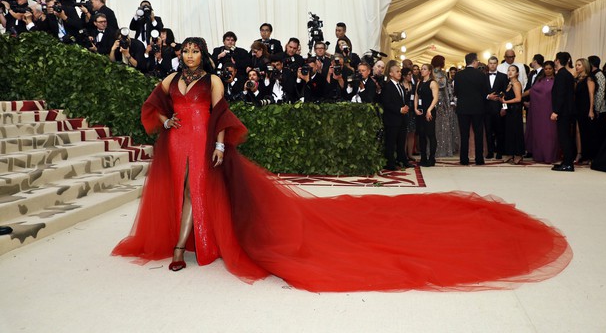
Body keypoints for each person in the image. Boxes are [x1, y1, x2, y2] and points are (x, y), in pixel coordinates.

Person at [113, 36, 572, 292]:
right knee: (182, 190)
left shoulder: (212, 79)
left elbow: (221, 116)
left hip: (204, 141)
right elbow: (151, 108)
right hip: (176, 142)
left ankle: (185, 248)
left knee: (200, 189)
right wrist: (167, 117)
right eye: (185, 50)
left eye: (195, 50)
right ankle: (187, 241)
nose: (189, 54)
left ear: (203, 53)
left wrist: (217, 144)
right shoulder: (170, 77)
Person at [453, 53, 489, 166]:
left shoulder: (458, 75)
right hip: (478, 108)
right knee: (478, 134)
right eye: (477, 61)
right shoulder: (481, 75)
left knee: (464, 134)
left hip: (463, 108)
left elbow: (456, 92)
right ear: (474, 61)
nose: (478, 62)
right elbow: (485, 92)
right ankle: (479, 159)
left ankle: (464, 159)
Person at [525, 61, 559, 164]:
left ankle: (549, 156)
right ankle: (539, 155)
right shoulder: (539, 80)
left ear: (553, 69)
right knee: (538, 133)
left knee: (549, 134)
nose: (548, 70)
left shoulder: (557, 81)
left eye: (550, 68)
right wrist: (520, 96)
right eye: (546, 69)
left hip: (550, 111)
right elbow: (532, 91)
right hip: (537, 112)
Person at [381, 62, 413, 171]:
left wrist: (406, 107)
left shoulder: (400, 85)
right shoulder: (387, 86)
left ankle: (402, 160)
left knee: (401, 141)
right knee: (391, 142)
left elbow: (404, 99)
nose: (400, 73)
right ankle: (390, 163)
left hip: (402, 119)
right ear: (391, 73)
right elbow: (386, 103)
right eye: (397, 71)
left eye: (400, 71)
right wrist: (400, 109)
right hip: (392, 119)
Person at [550, 52, 577, 172]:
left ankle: (568, 164)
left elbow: (561, 95)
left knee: (564, 137)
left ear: (557, 61)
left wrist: (556, 111)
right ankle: (566, 161)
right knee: (566, 137)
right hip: (568, 110)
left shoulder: (561, 75)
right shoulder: (567, 74)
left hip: (563, 111)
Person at [431, 55, 459, 158]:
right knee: (439, 125)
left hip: (444, 100)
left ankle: (444, 148)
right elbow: (442, 85)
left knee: (443, 125)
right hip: (439, 101)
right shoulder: (435, 73)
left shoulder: (440, 73)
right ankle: (439, 149)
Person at [484, 56, 508, 159]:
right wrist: (488, 96)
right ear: (488, 64)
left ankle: (499, 152)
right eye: (490, 63)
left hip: (499, 108)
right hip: (486, 108)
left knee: (500, 131)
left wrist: (504, 107)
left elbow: (506, 94)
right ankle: (490, 151)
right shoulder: (483, 76)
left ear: (497, 64)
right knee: (488, 131)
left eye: (494, 63)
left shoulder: (503, 76)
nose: (492, 65)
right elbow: (480, 92)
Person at [414, 64, 439, 166]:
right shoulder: (419, 82)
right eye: (422, 69)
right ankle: (423, 158)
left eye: (424, 69)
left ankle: (432, 158)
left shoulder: (432, 83)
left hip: (429, 111)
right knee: (421, 135)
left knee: (430, 134)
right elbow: (416, 96)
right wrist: (415, 108)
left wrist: (429, 110)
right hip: (420, 111)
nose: (422, 71)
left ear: (429, 71)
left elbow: (435, 98)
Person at [500, 65, 525, 164]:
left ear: (517, 73)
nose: (510, 72)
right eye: (509, 70)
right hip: (509, 111)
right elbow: (505, 99)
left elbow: (518, 99)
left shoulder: (516, 84)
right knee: (509, 132)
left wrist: (505, 103)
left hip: (515, 111)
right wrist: (504, 108)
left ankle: (518, 154)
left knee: (516, 132)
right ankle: (510, 153)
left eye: (513, 70)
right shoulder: (509, 84)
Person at [573, 58, 596, 164]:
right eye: (576, 65)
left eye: (579, 65)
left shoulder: (589, 78)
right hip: (577, 107)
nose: (576, 67)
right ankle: (579, 153)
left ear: (585, 66)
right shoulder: (576, 78)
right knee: (577, 131)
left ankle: (589, 155)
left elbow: (591, 95)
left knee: (587, 132)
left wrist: (591, 110)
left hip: (586, 107)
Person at [400, 67, 417, 162]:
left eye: (411, 75)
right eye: (409, 75)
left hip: (412, 112)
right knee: (404, 134)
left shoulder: (413, 86)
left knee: (412, 133)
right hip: (404, 112)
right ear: (404, 76)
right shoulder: (400, 85)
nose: (411, 76)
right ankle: (403, 154)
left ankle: (410, 154)